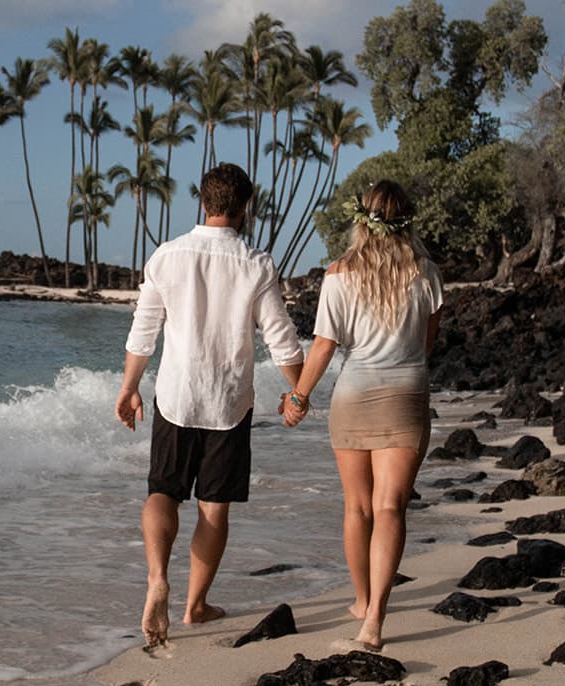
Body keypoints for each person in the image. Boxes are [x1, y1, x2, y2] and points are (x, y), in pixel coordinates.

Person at [116, 162, 308, 648]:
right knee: (213, 510)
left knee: (163, 490)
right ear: (245, 207)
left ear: (203, 202)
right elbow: (281, 340)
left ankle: (158, 576)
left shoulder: (167, 256)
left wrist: (129, 387)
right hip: (228, 402)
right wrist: (298, 392)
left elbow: (144, 332)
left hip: (177, 396)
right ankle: (195, 606)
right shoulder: (256, 264)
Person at [282, 179, 442, 652]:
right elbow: (426, 346)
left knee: (357, 508)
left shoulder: (338, 273)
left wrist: (298, 397)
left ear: (361, 219)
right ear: (407, 219)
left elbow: (325, 346)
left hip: (353, 398)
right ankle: (374, 619)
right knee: (391, 507)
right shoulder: (427, 272)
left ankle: (360, 599)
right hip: (407, 395)